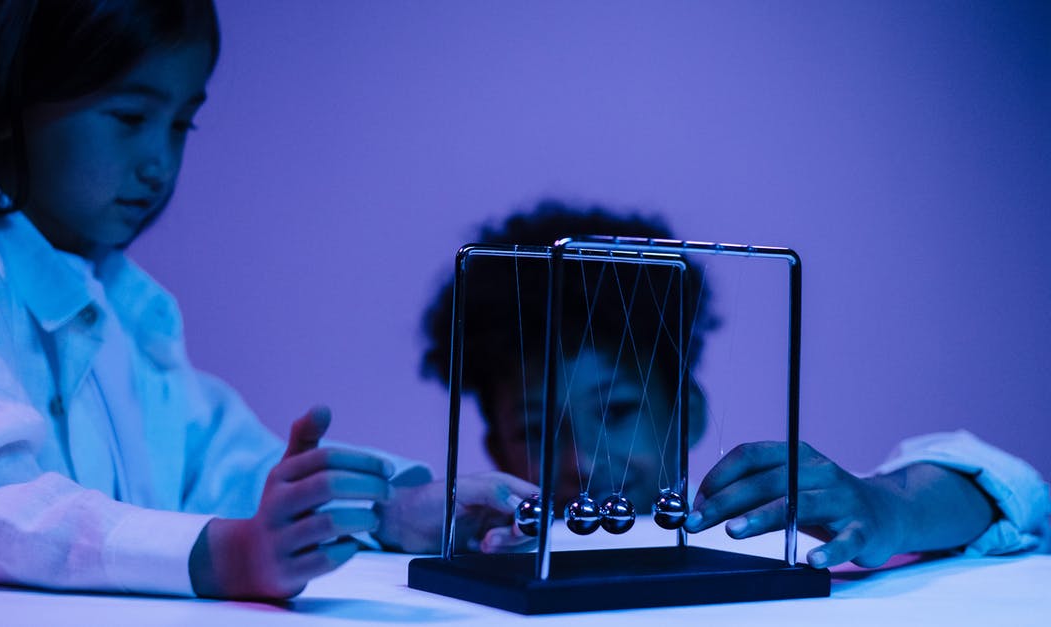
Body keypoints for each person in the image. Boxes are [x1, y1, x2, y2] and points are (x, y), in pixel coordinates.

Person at [0, 0, 532, 601]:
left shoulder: (131, 306)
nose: (159, 162)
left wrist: (393, 508)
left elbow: (231, 469)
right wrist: (225, 556)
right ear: (5, 104)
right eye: (129, 116)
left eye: (181, 124)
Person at [420, 200, 1049, 568]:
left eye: (615, 410)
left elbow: (1004, 483)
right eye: (534, 429)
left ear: (687, 413)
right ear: (497, 452)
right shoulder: (483, 546)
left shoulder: (764, 530)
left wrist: (891, 508)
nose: (582, 462)